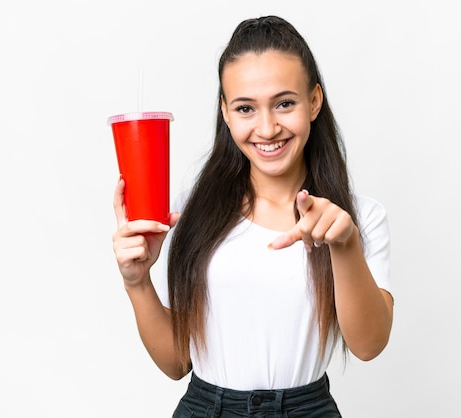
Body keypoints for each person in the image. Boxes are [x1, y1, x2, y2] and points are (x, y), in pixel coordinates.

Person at [112, 15, 394, 417]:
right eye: (246, 108)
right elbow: (177, 363)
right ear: (226, 113)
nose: (267, 127)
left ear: (313, 101)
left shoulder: (359, 218)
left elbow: (369, 345)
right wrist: (138, 283)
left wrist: (344, 245)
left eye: (284, 103)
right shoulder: (194, 210)